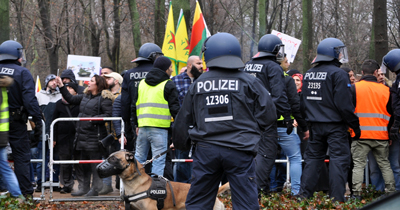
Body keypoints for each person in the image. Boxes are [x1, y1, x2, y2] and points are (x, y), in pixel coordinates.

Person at [173, 32, 276, 210]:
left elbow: (183, 119)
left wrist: (182, 144)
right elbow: (269, 114)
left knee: (199, 202)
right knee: (246, 203)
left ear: (209, 54)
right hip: (240, 150)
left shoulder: (198, 84)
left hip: (206, 152)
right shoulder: (249, 81)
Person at [299, 38, 360, 202]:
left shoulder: (309, 74)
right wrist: (355, 125)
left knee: (312, 161)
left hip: (315, 126)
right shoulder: (339, 74)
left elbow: (303, 102)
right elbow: (345, 105)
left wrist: (307, 123)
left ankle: (304, 197)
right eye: (338, 51)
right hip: (335, 127)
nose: (340, 55)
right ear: (332, 53)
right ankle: (337, 199)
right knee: (339, 161)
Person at [243, 34, 293, 195]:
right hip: (265, 121)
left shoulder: (248, 65)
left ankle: (257, 190)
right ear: (274, 50)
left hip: (246, 119)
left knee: (251, 155)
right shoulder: (273, 67)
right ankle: (254, 193)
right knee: (266, 155)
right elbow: (279, 96)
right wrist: (287, 117)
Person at [56, 75, 113, 196]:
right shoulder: (85, 96)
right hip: (81, 136)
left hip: (94, 137)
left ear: (98, 84)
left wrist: (92, 119)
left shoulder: (104, 98)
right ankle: (83, 187)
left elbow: (108, 115)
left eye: (91, 81)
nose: (88, 82)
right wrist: (61, 86)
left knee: (95, 165)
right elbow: (70, 98)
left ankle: (95, 189)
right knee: (82, 165)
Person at [0, 40, 42, 197]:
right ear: (16, 54)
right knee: (22, 158)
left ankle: (4, 192)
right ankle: (25, 195)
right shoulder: (22, 72)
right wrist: (37, 120)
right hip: (17, 122)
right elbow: (30, 100)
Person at [349, 59, 395, 199]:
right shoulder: (386, 90)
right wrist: (389, 134)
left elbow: (348, 111)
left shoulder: (354, 88)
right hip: (381, 135)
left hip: (360, 135)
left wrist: (352, 129)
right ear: (376, 72)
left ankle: (356, 194)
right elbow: (392, 113)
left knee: (358, 165)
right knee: (385, 164)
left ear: (362, 72)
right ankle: (392, 193)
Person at [133, 56, 179, 177]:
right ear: (166, 69)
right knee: (158, 161)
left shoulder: (142, 83)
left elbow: (134, 105)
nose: (172, 70)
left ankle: (135, 188)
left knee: (139, 159)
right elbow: (175, 110)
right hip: (160, 129)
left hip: (142, 128)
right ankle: (156, 190)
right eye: (170, 67)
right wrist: (178, 132)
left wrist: (136, 125)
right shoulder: (168, 84)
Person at [121, 43, 163, 151]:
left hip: (137, 123)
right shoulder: (161, 74)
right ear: (153, 56)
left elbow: (125, 102)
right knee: (159, 156)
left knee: (140, 156)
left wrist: (127, 121)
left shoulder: (129, 74)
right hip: (159, 122)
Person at [171, 55, 203, 183]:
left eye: (202, 63)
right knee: (182, 161)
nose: (202, 66)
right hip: (182, 127)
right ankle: (181, 190)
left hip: (201, 127)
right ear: (189, 65)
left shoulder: (204, 81)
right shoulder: (175, 81)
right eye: (198, 63)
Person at [35, 74, 62, 191]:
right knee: (42, 159)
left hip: (56, 132)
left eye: (55, 81)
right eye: (51, 81)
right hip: (43, 132)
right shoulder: (39, 96)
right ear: (46, 82)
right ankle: (40, 182)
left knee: (55, 158)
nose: (53, 83)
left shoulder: (60, 95)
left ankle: (55, 182)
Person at [52, 82, 80, 194]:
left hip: (78, 137)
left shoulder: (80, 103)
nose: (68, 90)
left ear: (76, 91)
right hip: (62, 138)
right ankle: (66, 185)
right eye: (66, 88)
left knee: (79, 161)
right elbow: (54, 122)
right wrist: (54, 138)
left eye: (70, 88)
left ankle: (83, 185)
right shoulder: (59, 104)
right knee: (65, 163)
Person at [98, 72, 123, 195]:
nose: (106, 80)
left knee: (120, 159)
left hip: (119, 133)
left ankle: (121, 185)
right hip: (106, 132)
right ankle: (106, 185)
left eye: (109, 78)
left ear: (116, 80)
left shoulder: (124, 94)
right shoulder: (103, 94)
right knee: (106, 159)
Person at [0, 75, 23, 198]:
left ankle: (17, 195)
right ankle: (17, 196)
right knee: (4, 167)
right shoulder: (3, 87)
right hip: (2, 134)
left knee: (4, 167)